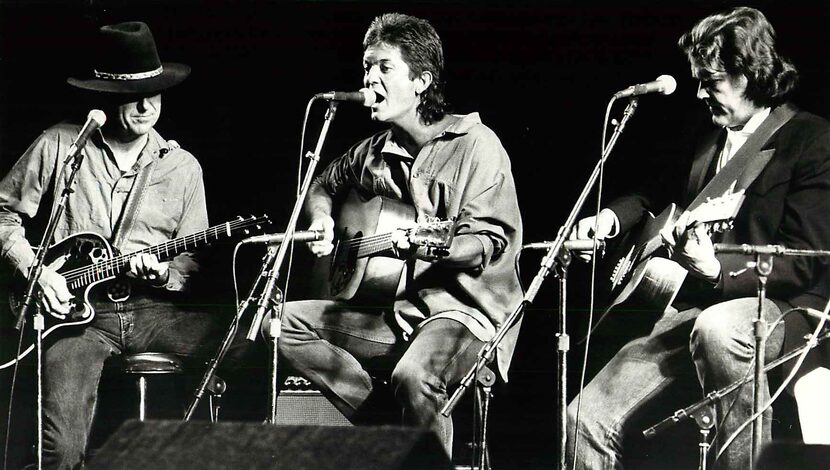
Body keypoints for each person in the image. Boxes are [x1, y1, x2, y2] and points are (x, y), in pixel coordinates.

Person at [566, 6, 830, 469]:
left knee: (720, 328)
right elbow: (653, 192)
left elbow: (806, 260)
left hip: (784, 310)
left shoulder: (810, 139)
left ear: (750, 75)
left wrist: (713, 269)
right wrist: (608, 220)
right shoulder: (705, 137)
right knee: (582, 420)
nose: (701, 94)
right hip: (694, 309)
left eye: (712, 81)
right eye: (698, 81)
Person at [275, 13, 523, 456]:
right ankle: (393, 430)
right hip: (398, 311)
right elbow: (320, 184)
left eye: (383, 68)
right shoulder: (373, 151)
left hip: (466, 313)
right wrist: (322, 220)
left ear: (422, 81)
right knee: (281, 323)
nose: (369, 79)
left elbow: (486, 243)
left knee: (414, 376)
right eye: (367, 67)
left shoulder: (476, 143)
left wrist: (434, 244)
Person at [0, 22, 234, 469]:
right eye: (134, 95)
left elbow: (191, 259)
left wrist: (165, 273)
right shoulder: (61, 143)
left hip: (154, 312)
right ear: (105, 94)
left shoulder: (182, 167)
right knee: (63, 451)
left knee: (251, 347)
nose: (147, 106)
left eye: (156, 92)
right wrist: (37, 271)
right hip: (77, 320)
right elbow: (2, 212)